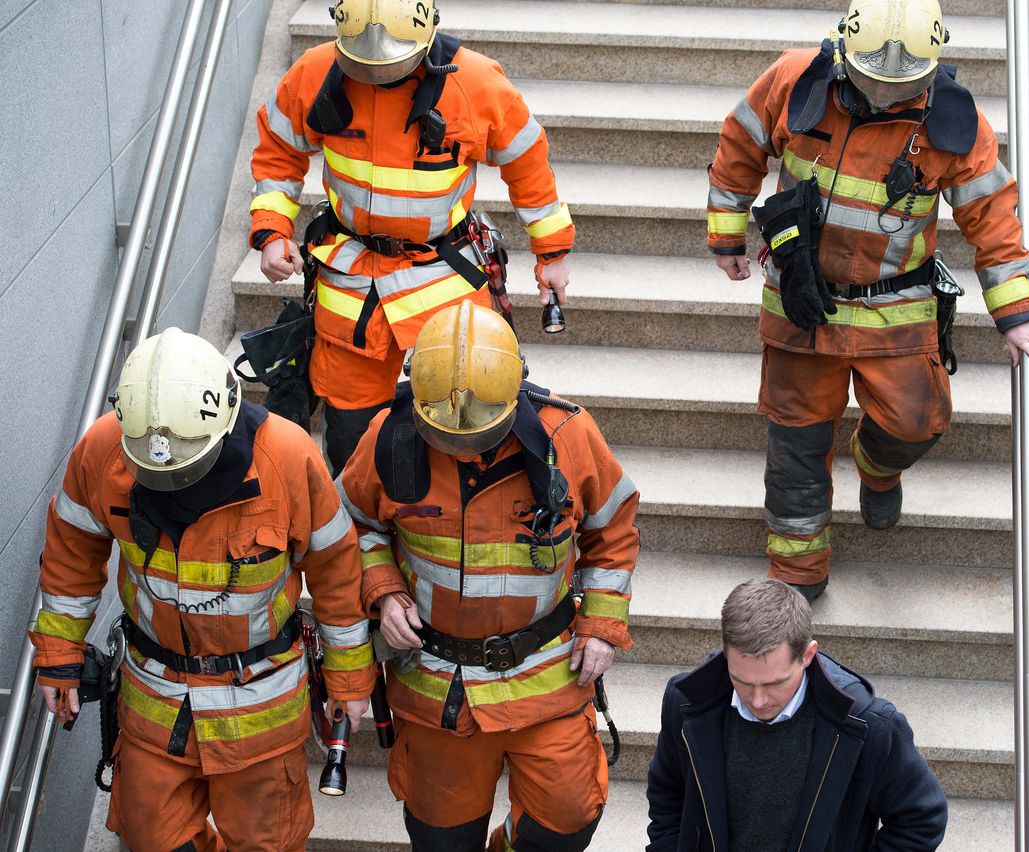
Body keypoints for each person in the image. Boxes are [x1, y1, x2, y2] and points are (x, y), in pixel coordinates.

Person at [706, 0, 1029, 601]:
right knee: (796, 446)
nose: (885, 97)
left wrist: (1017, 313)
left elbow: (994, 219)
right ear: (845, 51)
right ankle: (797, 576)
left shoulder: (954, 124)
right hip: (802, 303)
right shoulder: (794, 81)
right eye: (872, 83)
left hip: (895, 306)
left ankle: (876, 461)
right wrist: (727, 233)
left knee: (918, 422)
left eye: (901, 88)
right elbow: (740, 146)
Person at [30, 328, 375, 851]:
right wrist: (58, 655)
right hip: (154, 706)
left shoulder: (285, 456)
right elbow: (70, 557)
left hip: (259, 711)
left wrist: (350, 681)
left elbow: (338, 573)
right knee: (153, 839)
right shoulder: (104, 450)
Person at [338, 302, 639, 850]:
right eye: (446, 436)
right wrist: (383, 591)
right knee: (441, 838)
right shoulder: (388, 438)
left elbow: (611, 531)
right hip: (437, 683)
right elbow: (351, 527)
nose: (460, 446)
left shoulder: (567, 436)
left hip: (547, 672)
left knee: (567, 823)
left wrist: (601, 625)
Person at [250, 0, 574, 471]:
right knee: (351, 436)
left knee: (460, 419)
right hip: (351, 286)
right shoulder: (314, 72)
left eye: (390, 67)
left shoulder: (476, 83)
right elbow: (279, 153)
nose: (377, 76)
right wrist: (272, 230)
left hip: (443, 280)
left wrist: (553, 253)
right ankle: (358, 532)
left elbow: (528, 165)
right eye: (364, 66)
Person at [645, 578, 947, 850]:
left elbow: (921, 819)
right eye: (743, 681)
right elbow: (667, 793)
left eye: (775, 683)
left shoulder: (869, 725)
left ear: (808, 655)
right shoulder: (686, 703)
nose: (759, 701)